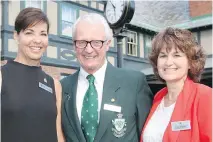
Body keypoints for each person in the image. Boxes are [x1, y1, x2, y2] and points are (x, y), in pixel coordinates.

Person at [60, 13, 153, 142]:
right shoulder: (62, 88)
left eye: (96, 42)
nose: (88, 49)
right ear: (74, 45)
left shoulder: (134, 84)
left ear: (108, 44)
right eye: (81, 42)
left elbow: (148, 136)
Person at [1, 7, 64, 142]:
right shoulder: (2, 77)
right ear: (16, 36)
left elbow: (58, 135)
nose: (37, 40)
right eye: (29, 33)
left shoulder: (55, 85)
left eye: (43, 34)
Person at [141, 27, 212, 142]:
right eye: (163, 55)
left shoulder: (205, 96)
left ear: (190, 62)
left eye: (177, 55)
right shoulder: (157, 98)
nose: (168, 62)